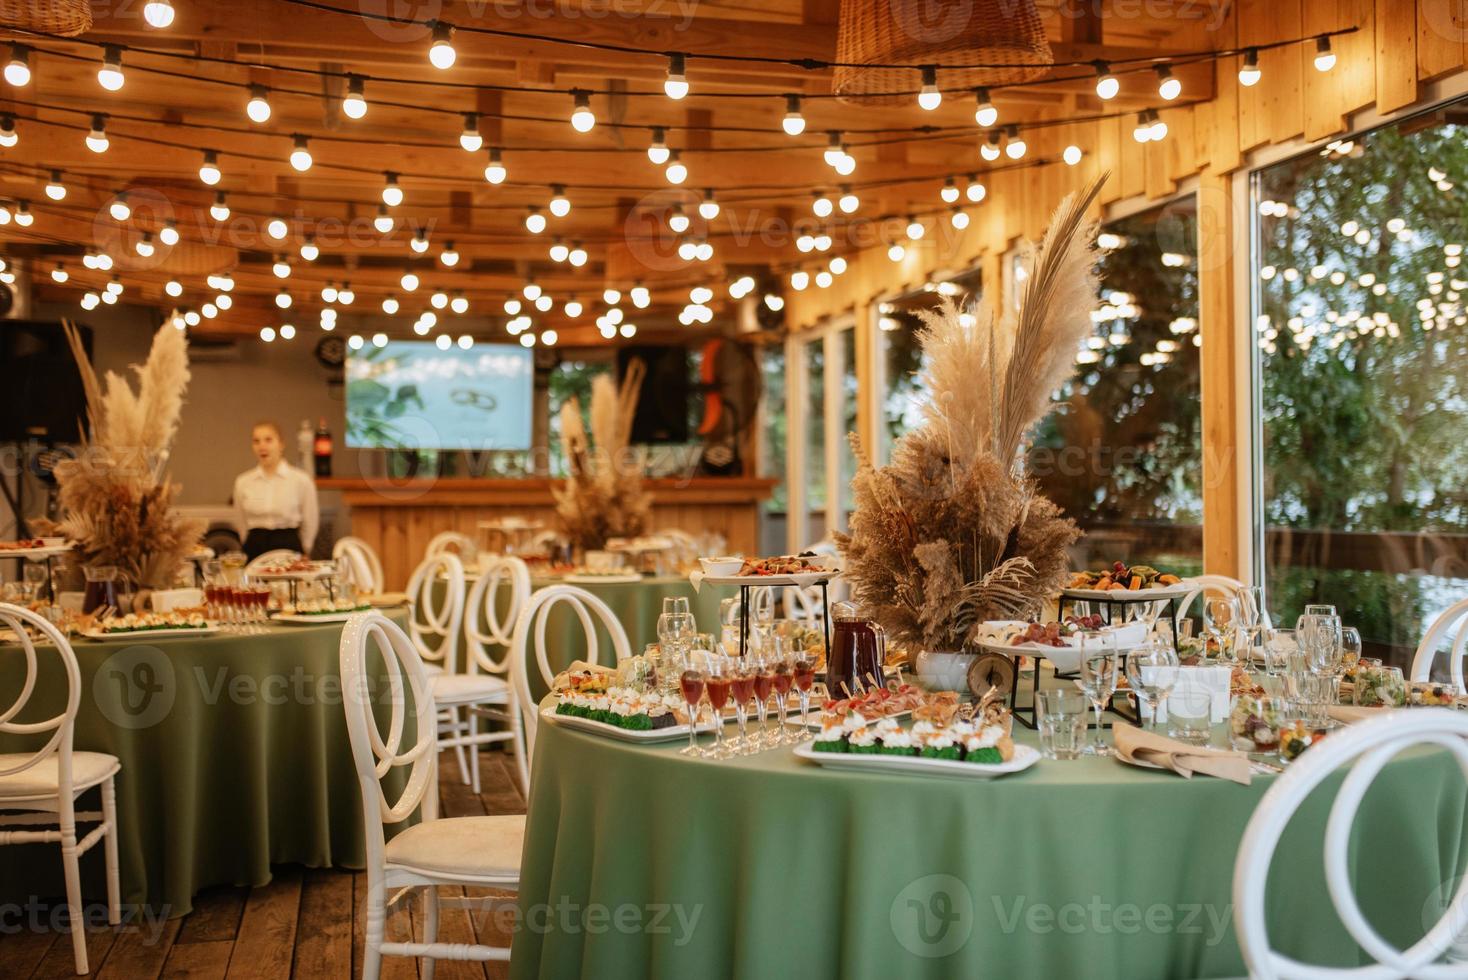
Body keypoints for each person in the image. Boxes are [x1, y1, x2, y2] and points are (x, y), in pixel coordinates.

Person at [233, 420, 319, 560]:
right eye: (256, 441)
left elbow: (310, 520)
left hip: (288, 545)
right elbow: (240, 521)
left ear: (281, 444)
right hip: (254, 547)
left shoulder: (301, 480)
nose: (262, 446)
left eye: (268, 440)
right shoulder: (243, 482)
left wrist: (305, 549)